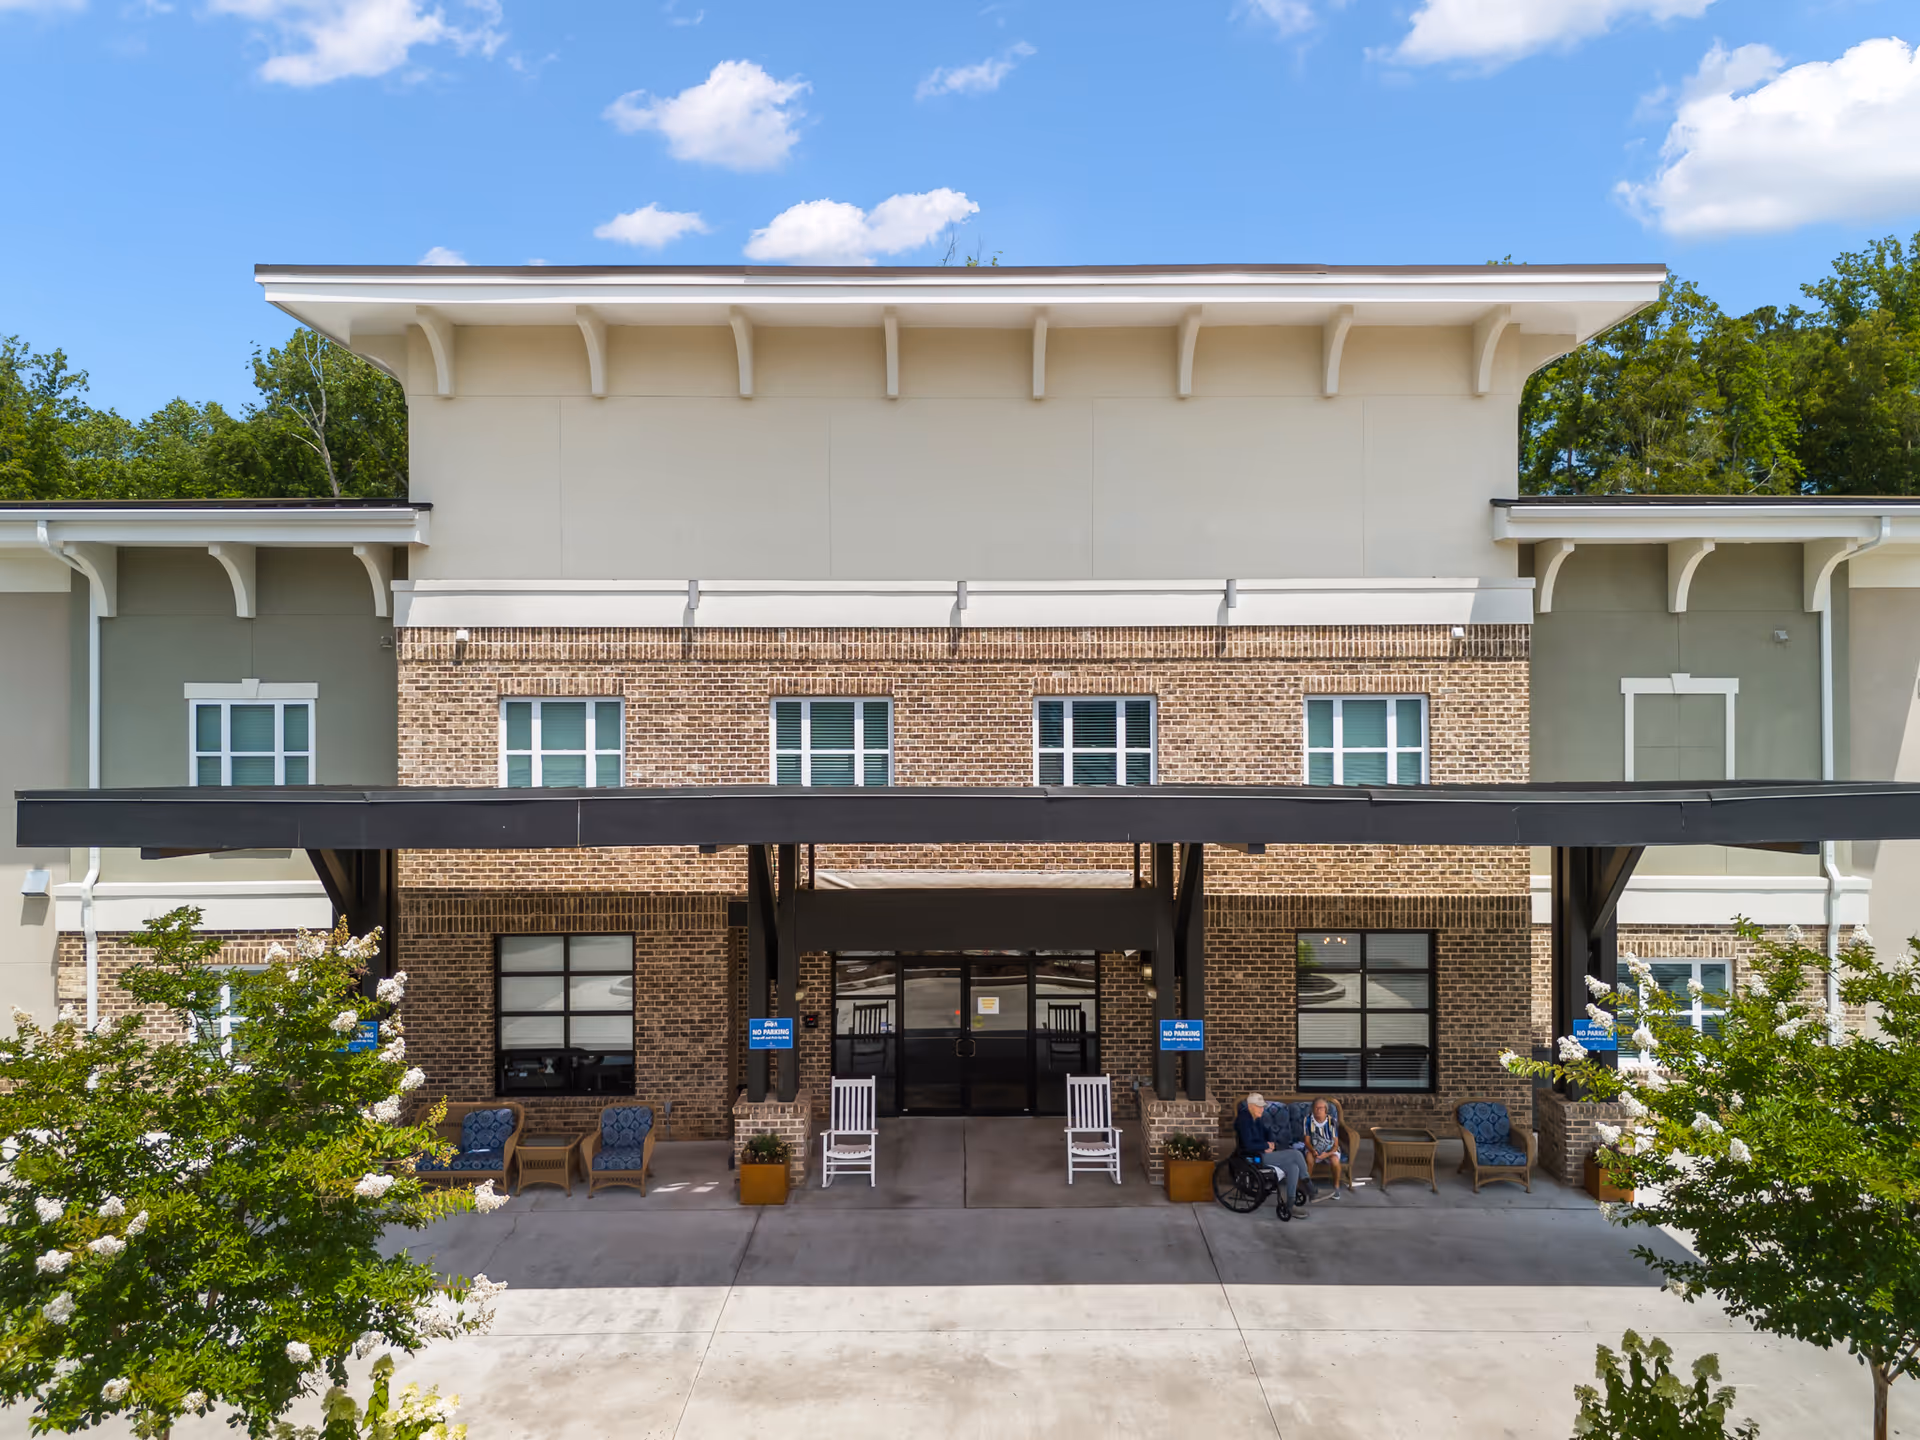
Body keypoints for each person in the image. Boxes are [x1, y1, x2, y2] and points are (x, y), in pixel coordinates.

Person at [1234, 1092, 1310, 1221]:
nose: (1262, 1109)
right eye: (1259, 1107)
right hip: (1253, 1158)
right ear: (1250, 1106)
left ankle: (1290, 1204)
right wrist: (1265, 1146)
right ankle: (1311, 1188)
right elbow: (1247, 1145)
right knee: (1295, 1154)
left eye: (1262, 1107)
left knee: (1293, 1168)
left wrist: (1270, 1143)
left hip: (1263, 1153)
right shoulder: (1243, 1121)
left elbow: (1268, 1131)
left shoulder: (1256, 1118)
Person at [1305, 1098, 1345, 1196]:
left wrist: (1327, 1154)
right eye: (1316, 1108)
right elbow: (1306, 1141)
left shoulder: (1332, 1122)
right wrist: (1313, 1151)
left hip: (1329, 1149)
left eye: (1321, 1108)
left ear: (1326, 1110)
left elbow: (1335, 1145)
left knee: (1335, 1161)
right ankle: (1308, 1186)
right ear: (1313, 1109)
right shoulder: (1308, 1120)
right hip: (1314, 1148)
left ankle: (1336, 1188)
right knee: (1309, 1159)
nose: (1318, 1110)